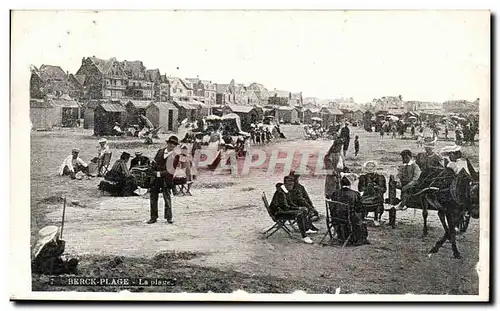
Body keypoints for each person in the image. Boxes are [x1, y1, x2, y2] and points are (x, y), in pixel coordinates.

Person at [268, 176, 319, 244]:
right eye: (289, 185)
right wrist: (298, 209)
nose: (291, 187)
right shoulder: (281, 193)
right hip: (277, 213)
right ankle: (304, 236)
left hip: (281, 210)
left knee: (303, 210)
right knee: (299, 214)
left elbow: (290, 203)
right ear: (285, 184)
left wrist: (299, 208)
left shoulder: (285, 190)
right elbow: (285, 207)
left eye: (292, 185)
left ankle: (306, 229)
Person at [147, 136, 180, 224]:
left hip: (166, 179)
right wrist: (151, 169)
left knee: (167, 197)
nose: (172, 145)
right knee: (153, 197)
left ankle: (169, 217)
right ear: (167, 143)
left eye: (174, 144)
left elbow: (171, 170)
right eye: (171, 143)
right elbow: (154, 163)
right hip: (156, 179)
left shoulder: (176, 156)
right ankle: (153, 217)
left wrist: (159, 174)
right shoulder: (160, 151)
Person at [330, 175, 369, 246]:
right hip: (348, 218)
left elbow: (332, 207)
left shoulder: (335, 193)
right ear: (350, 184)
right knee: (359, 217)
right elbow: (358, 207)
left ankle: (342, 235)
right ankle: (358, 238)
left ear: (341, 184)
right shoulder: (355, 194)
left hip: (335, 218)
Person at [358, 161, 387, 226]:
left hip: (377, 197)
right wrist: (367, 187)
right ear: (365, 168)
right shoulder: (363, 177)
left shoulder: (380, 177)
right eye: (368, 166)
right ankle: (363, 218)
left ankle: (376, 218)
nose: (370, 168)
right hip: (366, 197)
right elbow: (360, 189)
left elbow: (384, 189)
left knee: (377, 201)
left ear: (375, 168)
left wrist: (376, 187)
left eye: (372, 166)